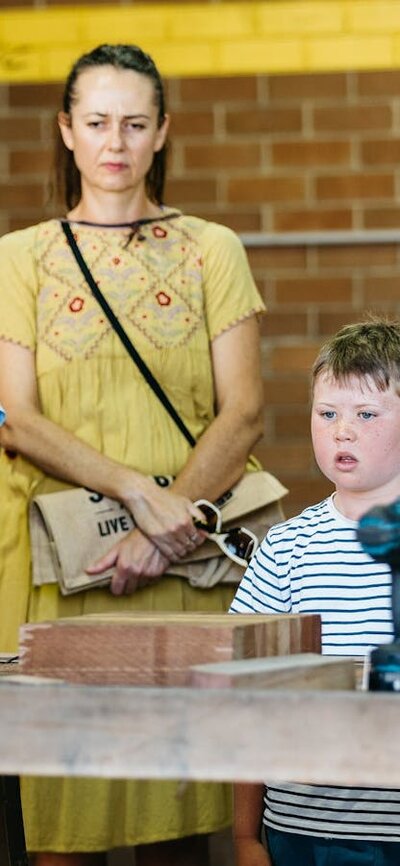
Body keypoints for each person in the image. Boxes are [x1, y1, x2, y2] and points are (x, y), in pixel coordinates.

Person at [0, 44, 267, 866]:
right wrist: (134, 493)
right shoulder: (19, 257)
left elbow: (247, 411)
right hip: (61, 563)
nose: (115, 141)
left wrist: (162, 527)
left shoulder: (210, 248)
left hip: (181, 563)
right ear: (67, 131)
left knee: (177, 827)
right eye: (96, 122)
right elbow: (13, 416)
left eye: (135, 123)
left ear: (161, 134)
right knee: (61, 829)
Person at [230, 318, 400, 866]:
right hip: (301, 829)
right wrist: (243, 836)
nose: (341, 431)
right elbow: (247, 693)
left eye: (365, 414)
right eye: (327, 414)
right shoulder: (285, 548)